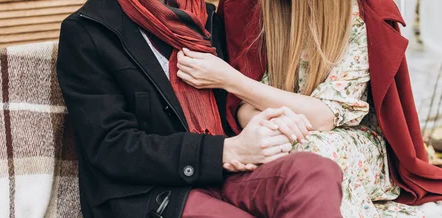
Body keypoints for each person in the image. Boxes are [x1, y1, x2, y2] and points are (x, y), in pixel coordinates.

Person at [56, 0, 345, 217]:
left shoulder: (205, 17)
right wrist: (224, 152)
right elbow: (112, 147)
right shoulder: (87, 30)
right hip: (149, 195)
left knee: (314, 171)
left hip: (225, 176)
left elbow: (230, 102)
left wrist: (265, 122)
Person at [175, 0, 442, 217]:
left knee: (310, 155)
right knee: (274, 147)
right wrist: (266, 121)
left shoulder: (360, 19)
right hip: (286, 134)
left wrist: (230, 80)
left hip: (350, 141)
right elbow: (243, 107)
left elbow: (324, 116)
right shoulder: (264, 15)